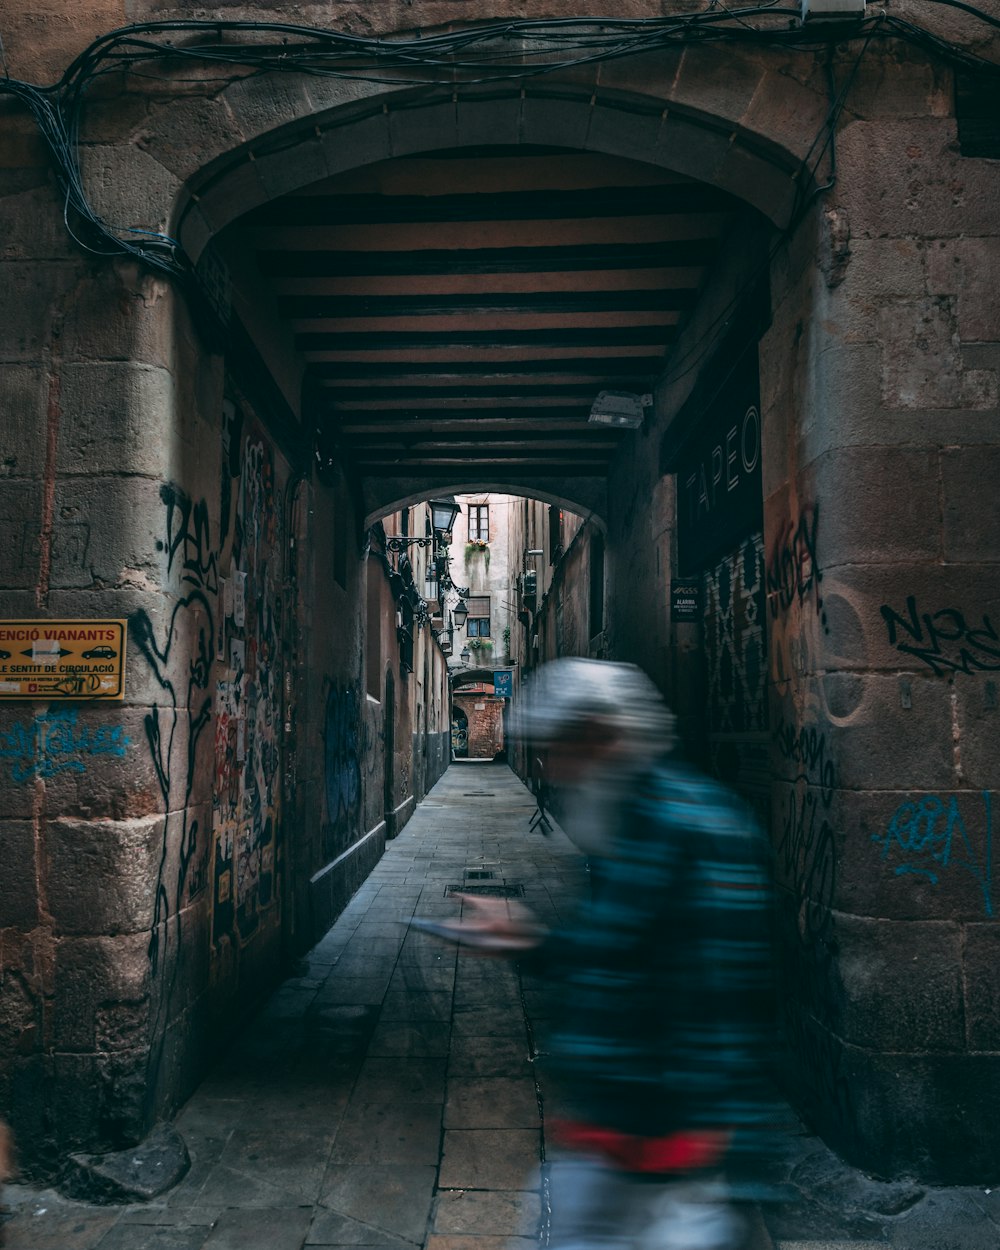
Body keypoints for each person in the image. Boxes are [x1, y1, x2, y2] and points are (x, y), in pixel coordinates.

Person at [449, 657, 781, 1250]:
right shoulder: (630, 820)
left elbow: (707, 991)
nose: (553, 769)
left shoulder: (685, 827)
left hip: (667, 1146)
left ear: (600, 735)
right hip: (617, 1135)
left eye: (559, 749)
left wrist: (696, 1140)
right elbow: (618, 948)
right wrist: (536, 941)